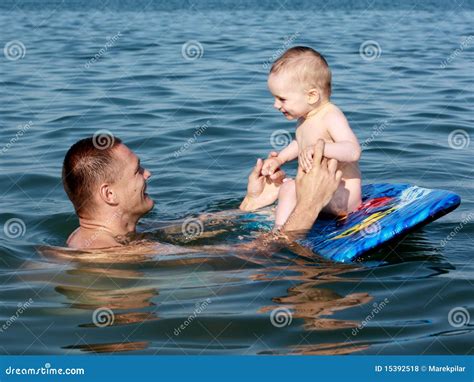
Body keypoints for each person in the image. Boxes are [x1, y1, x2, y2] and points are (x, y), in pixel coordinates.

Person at [62, 136, 341, 249]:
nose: (148, 174)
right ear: (109, 194)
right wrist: (309, 206)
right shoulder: (105, 254)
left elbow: (190, 228)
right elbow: (239, 259)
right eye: (138, 170)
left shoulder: (119, 235)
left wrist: (250, 204)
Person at [261, 46, 362, 228]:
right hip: (317, 194)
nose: (275, 105)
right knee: (287, 186)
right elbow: (299, 143)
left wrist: (321, 148)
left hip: (343, 197)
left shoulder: (330, 115)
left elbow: (353, 151)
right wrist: (280, 159)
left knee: (290, 188)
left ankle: (279, 232)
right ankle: (283, 223)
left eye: (282, 99)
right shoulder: (305, 118)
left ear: (312, 96)